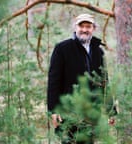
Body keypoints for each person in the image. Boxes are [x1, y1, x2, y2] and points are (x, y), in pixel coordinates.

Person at [47, 13, 111, 144]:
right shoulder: (62, 49)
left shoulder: (98, 51)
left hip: (91, 111)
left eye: (88, 26)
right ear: (75, 27)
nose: (84, 29)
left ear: (93, 28)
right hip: (69, 111)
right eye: (81, 26)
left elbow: (104, 81)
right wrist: (53, 110)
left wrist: (110, 110)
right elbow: (54, 81)